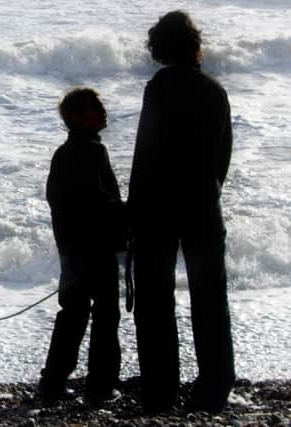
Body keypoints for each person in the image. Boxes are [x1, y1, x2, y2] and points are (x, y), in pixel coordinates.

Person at [128, 10, 235, 413]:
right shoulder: (214, 89)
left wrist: (134, 211)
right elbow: (222, 154)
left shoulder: (159, 88)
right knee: (210, 299)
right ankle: (215, 386)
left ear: (159, 49)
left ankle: (160, 389)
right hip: (204, 207)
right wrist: (209, 192)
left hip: (157, 208)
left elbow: (147, 153)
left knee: (155, 302)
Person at [39, 87, 126, 406]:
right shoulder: (90, 151)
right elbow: (96, 202)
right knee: (105, 317)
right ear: (77, 117)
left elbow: (60, 202)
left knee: (72, 315)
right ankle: (100, 387)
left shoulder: (66, 152)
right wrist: (128, 213)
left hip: (73, 249)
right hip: (93, 249)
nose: (103, 111)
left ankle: (53, 382)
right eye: (96, 107)